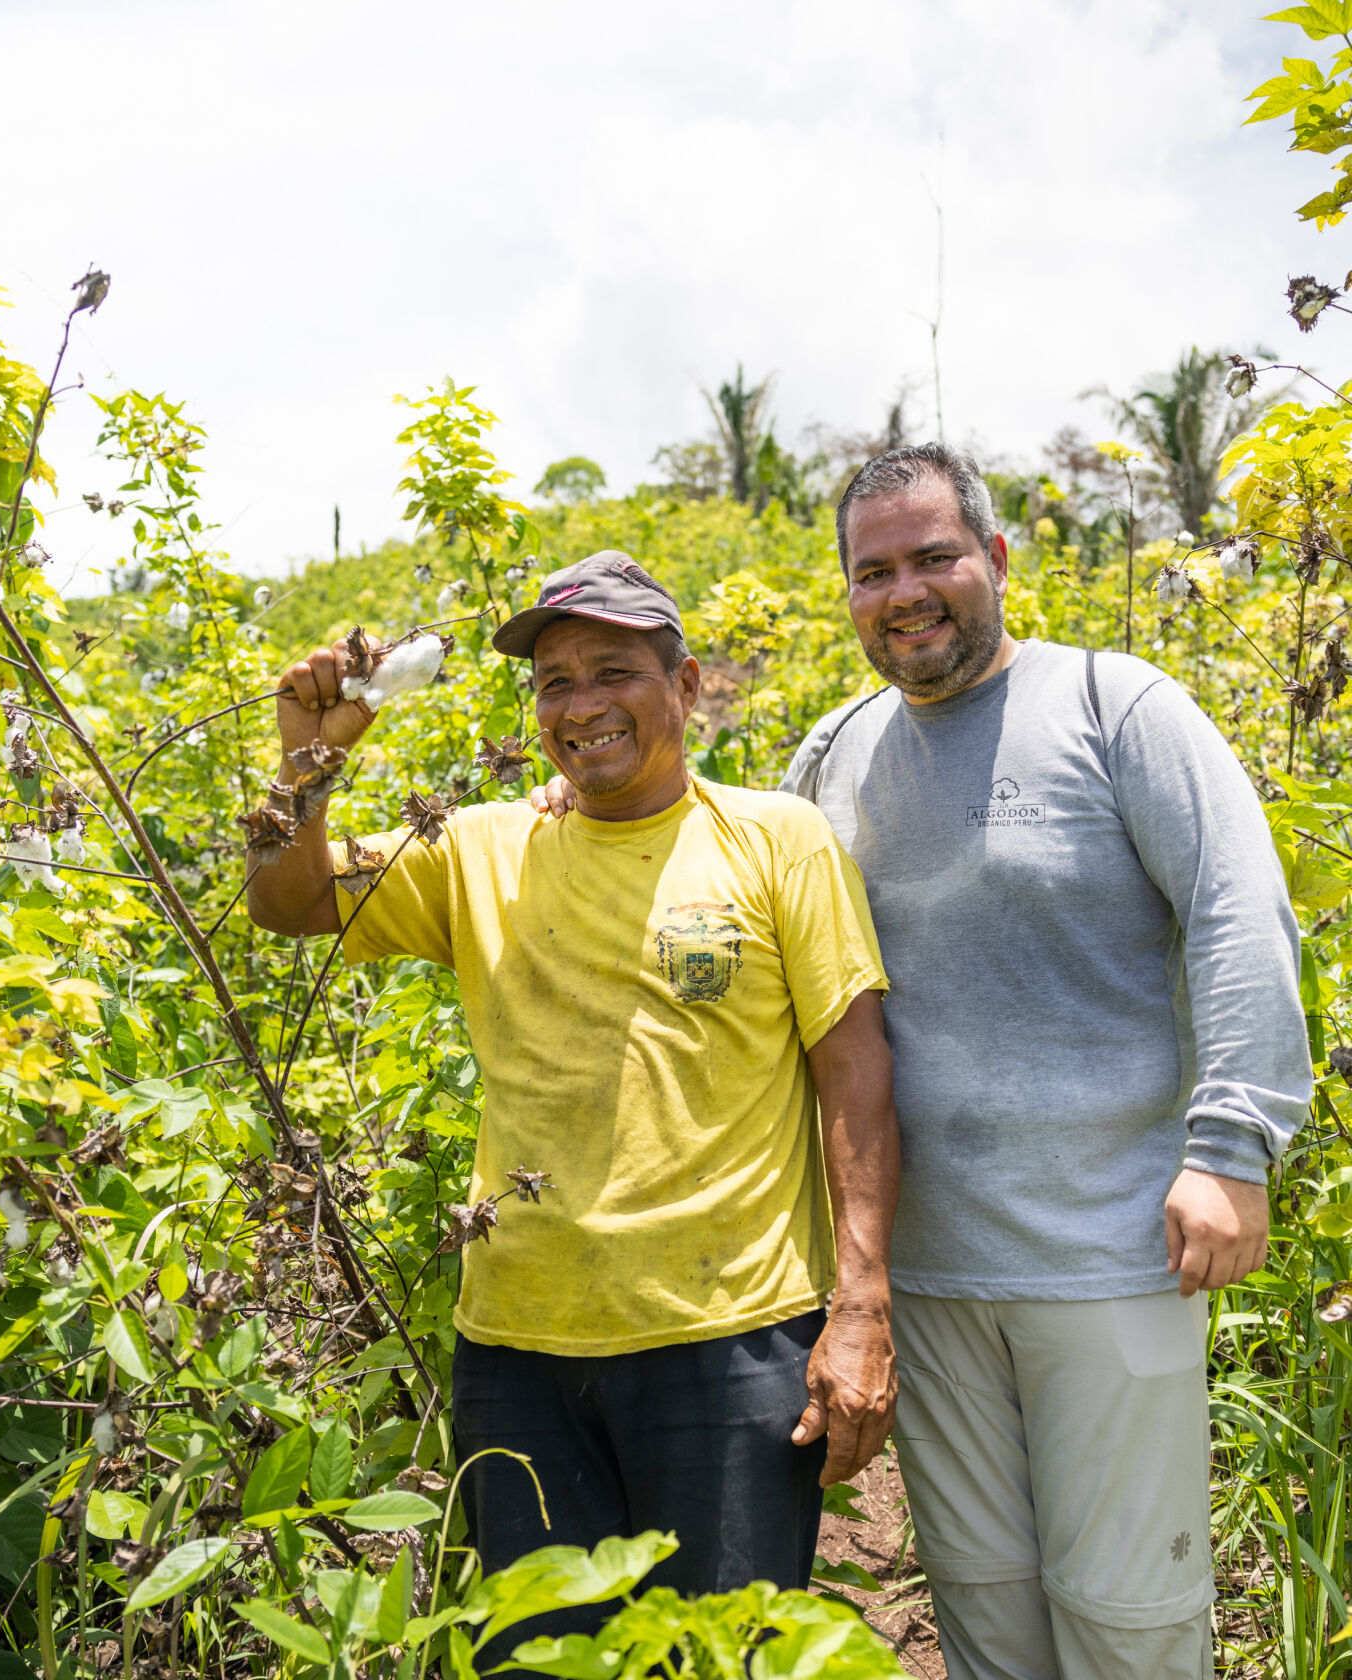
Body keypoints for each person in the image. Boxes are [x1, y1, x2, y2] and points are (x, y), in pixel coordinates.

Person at [537, 446, 1311, 1680]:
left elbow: (1236, 908)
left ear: (997, 561)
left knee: (1126, 1617)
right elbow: (736, 892)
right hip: (926, 1281)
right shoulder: (835, 756)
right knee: (984, 1609)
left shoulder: (1119, 709)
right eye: (873, 570)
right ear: (847, 594)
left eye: (935, 557)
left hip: (1110, 1256)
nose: (907, 591)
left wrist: (1231, 1148)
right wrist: (586, 795)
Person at [248, 552, 902, 1652]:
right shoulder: (479, 847)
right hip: (518, 1355)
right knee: (539, 1664)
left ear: (686, 685)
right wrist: (305, 760)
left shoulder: (777, 840)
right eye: (554, 681)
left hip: (730, 1341)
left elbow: (856, 1070)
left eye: (615, 671)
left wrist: (862, 1308)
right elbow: (289, 902)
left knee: (723, 1663)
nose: (582, 704)